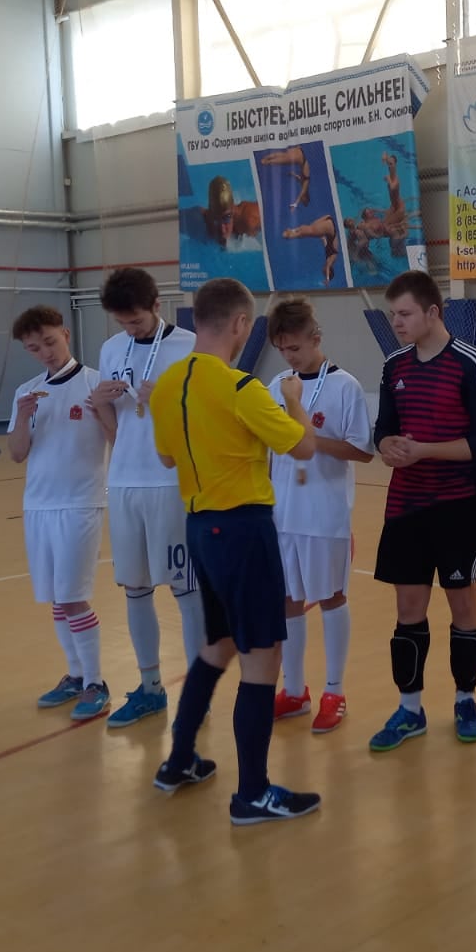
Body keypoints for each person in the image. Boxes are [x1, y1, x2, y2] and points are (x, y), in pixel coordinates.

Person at [147, 277, 321, 825]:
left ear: (198, 318)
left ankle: (179, 760)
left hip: (201, 529)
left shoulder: (166, 385)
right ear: (242, 325)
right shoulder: (241, 387)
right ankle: (253, 793)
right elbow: (304, 446)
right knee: (261, 657)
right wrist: (294, 402)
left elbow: (168, 458)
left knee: (217, 644)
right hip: (244, 530)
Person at [369, 270, 476, 751]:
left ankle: (466, 699)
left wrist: (423, 451)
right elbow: (382, 430)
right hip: (407, 505)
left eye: (404, 314)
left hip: (460, 505)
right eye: (393, 315)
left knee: (462, 603)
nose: (397, 323)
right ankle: (410, 710)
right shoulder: (394, 366)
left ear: (432, 312)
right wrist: (387, 446)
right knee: (408, 609)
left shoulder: (474, 363)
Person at [89, 268, 202, 729]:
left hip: (170, 483)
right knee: (134, 588)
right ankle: (150, 687)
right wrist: (100, 404)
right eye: (122, 323)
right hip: (124, 482)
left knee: (185, 589)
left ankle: (198, 692)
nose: (130, 330)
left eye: (135, 320)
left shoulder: (191, 347)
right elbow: (117, 431)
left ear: (157, 305)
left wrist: (168, 401)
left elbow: (205, 421)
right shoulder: (111, 349)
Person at [264, 298, 374, 736]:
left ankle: (335, 691)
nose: (289, 357)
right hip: (283, 514)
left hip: (325, 514)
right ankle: (294, 691)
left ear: (316, 338)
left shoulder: (345, 386)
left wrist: (304, 435)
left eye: (295, 348)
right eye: (282, 349)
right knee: (287, 601)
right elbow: (269, 448)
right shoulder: (275, 385)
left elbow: (362, 450)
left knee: (331, 597)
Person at [7, 305, 112, 722]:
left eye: (50, 342)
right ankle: (75, 674)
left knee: (72, 596)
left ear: (65, 334)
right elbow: (17, 454)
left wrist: (103, 410)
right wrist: (22, 418)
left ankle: (96, 682)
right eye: (35, 348)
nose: (45, 353)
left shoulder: (95, 383)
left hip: (80, 503)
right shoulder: (27, 392)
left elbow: (118, 438)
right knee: (57, 595)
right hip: (38, 505)